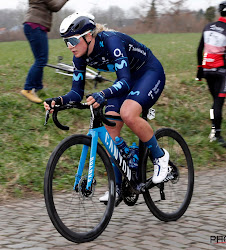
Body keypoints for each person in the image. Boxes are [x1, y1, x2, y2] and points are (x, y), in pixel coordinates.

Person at [44, 12, 170, 204]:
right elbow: (76, 93)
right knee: (110, 130)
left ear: (88, 36)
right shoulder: (80, 55)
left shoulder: (111, 41)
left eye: (72, 40)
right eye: (65, 42)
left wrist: (103, 94)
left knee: (128, 113)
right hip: (125, 80)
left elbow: (126, 82)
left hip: (148, 73)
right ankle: (119, 186)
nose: (70, 47)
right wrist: (58, 101)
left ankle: (160, 158)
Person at [196, 0, 226, 148]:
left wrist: (199, 70)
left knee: (214, 103)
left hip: (207, 70)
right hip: (221, 72)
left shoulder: (207, 27)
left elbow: (199, 50)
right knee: (218, 103)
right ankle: (217, 135)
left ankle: (213, 130)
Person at [21, 0, 69, 103]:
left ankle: (38, 87)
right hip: (35, 26)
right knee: (41, 59)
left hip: (33, 26)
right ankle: (28, 89)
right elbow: (55, 6)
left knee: (40, 59)